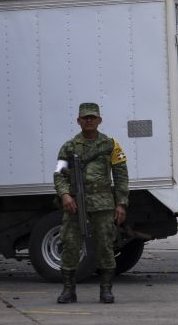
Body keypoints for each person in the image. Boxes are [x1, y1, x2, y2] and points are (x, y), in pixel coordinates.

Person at [52, 102, 129, 304]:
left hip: (103, 204)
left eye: (92, 117)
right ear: (78, 121)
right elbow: (59, 175)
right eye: (85, 117)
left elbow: (121, 176)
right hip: (75, 205)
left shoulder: (111, 145)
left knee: (105, 245)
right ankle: (69, 290)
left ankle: (106, 290)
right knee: (69, 244)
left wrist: (121, 204)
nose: (89, 120)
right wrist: (65, 195)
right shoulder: (68, 147)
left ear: (99, 121)